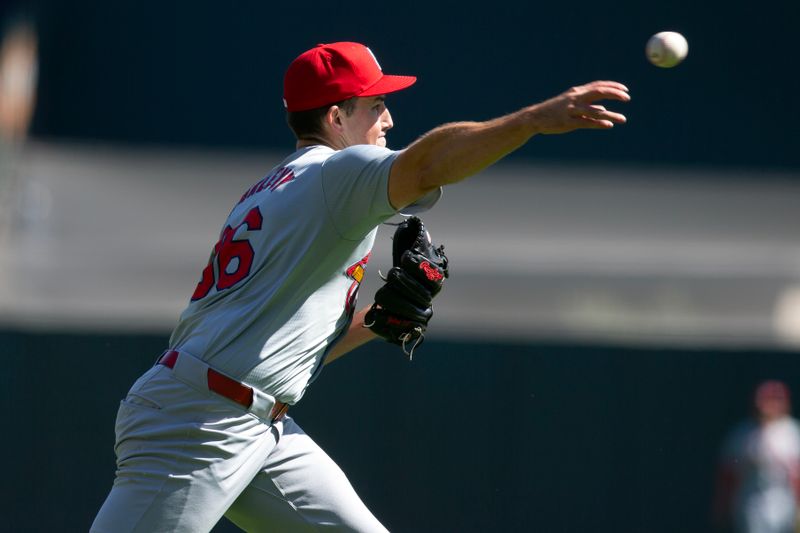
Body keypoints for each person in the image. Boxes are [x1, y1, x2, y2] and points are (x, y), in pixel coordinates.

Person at [91, 41, 629, 532]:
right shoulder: (336, 173)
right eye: (375, 105)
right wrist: (533, 120)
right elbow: (426, 165)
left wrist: (379, 317)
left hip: (253, 417)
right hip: (200, 424)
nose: (388, 118)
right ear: (335, 116)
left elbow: (284, 342)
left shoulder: (282, 185)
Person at [713, 380, 800, 533]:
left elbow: (797, 476)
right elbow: (727, 476)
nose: (767, 405)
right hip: (751, 503)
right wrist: (722, 507)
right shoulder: (742, 434)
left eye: (774, 400)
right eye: (765, 400)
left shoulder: (791, 433)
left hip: (783, 501)